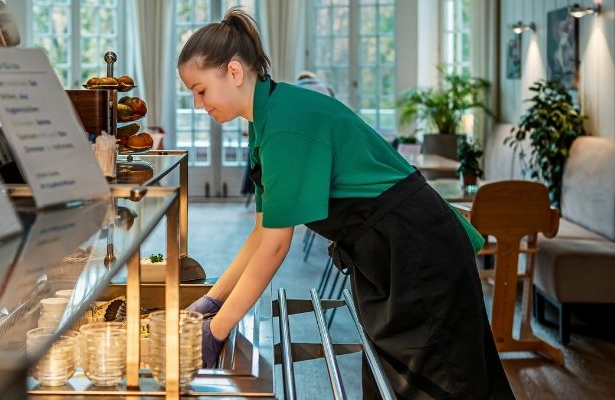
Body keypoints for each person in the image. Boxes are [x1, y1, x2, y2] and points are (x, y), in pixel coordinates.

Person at [178, 7, 514, 399]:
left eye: (200, 90)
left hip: (418, 251)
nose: (199, 105)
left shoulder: (285, 122)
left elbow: (275, 247)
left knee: (442, 382)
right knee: (392, 380)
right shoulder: (266, 119)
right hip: (388, 253)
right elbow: (261, 232)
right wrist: (212, 299)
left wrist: (216, 334)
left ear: (234, 72)